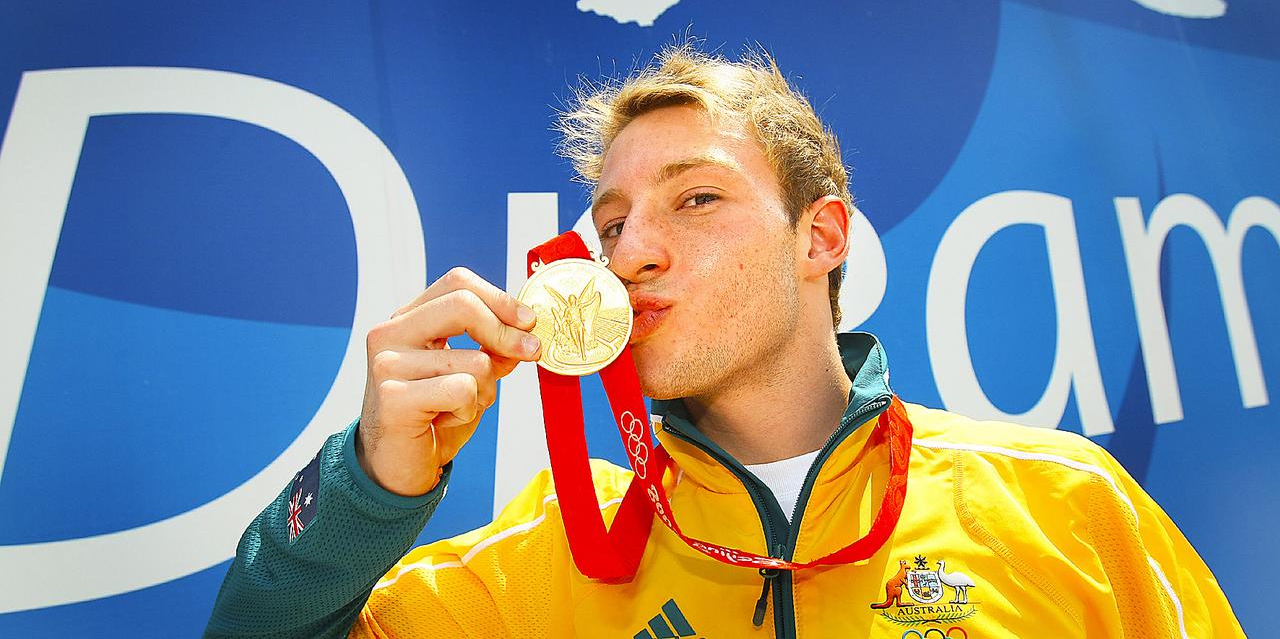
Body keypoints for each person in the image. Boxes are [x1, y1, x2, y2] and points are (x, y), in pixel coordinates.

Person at [204, 43, 1244, 638]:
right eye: (608, 225)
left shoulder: (1067, 508)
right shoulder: (537, 567)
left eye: (695, 199)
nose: (630, 253)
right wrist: (369, 489)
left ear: (819, 237)